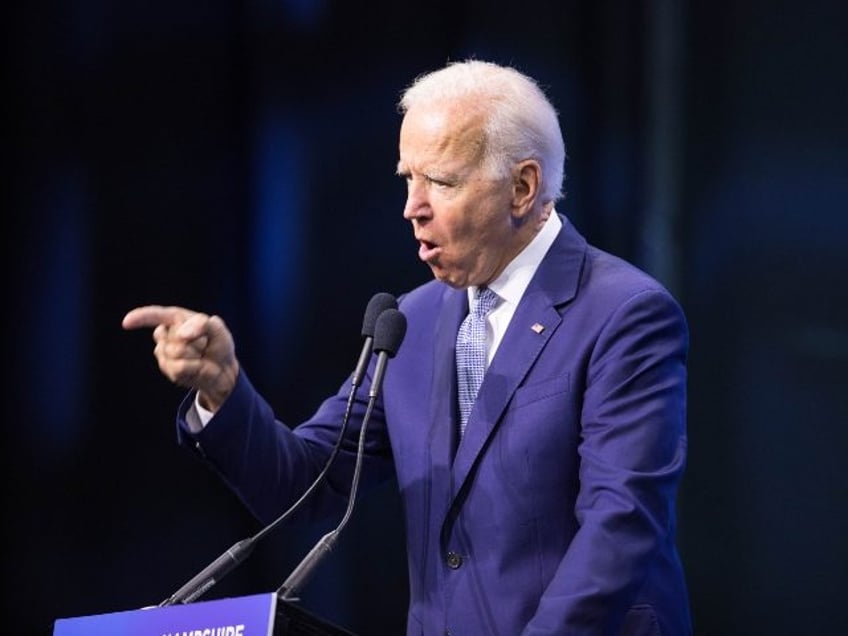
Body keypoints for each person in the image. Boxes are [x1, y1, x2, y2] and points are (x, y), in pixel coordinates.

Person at [123, 59, 692, 635]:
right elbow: (306, 487)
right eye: (407, 178)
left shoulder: (623, 314)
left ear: (523, 187)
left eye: (440, 182)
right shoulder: (411, 321)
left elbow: (621, 524)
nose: (412, 207)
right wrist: (222, 388)